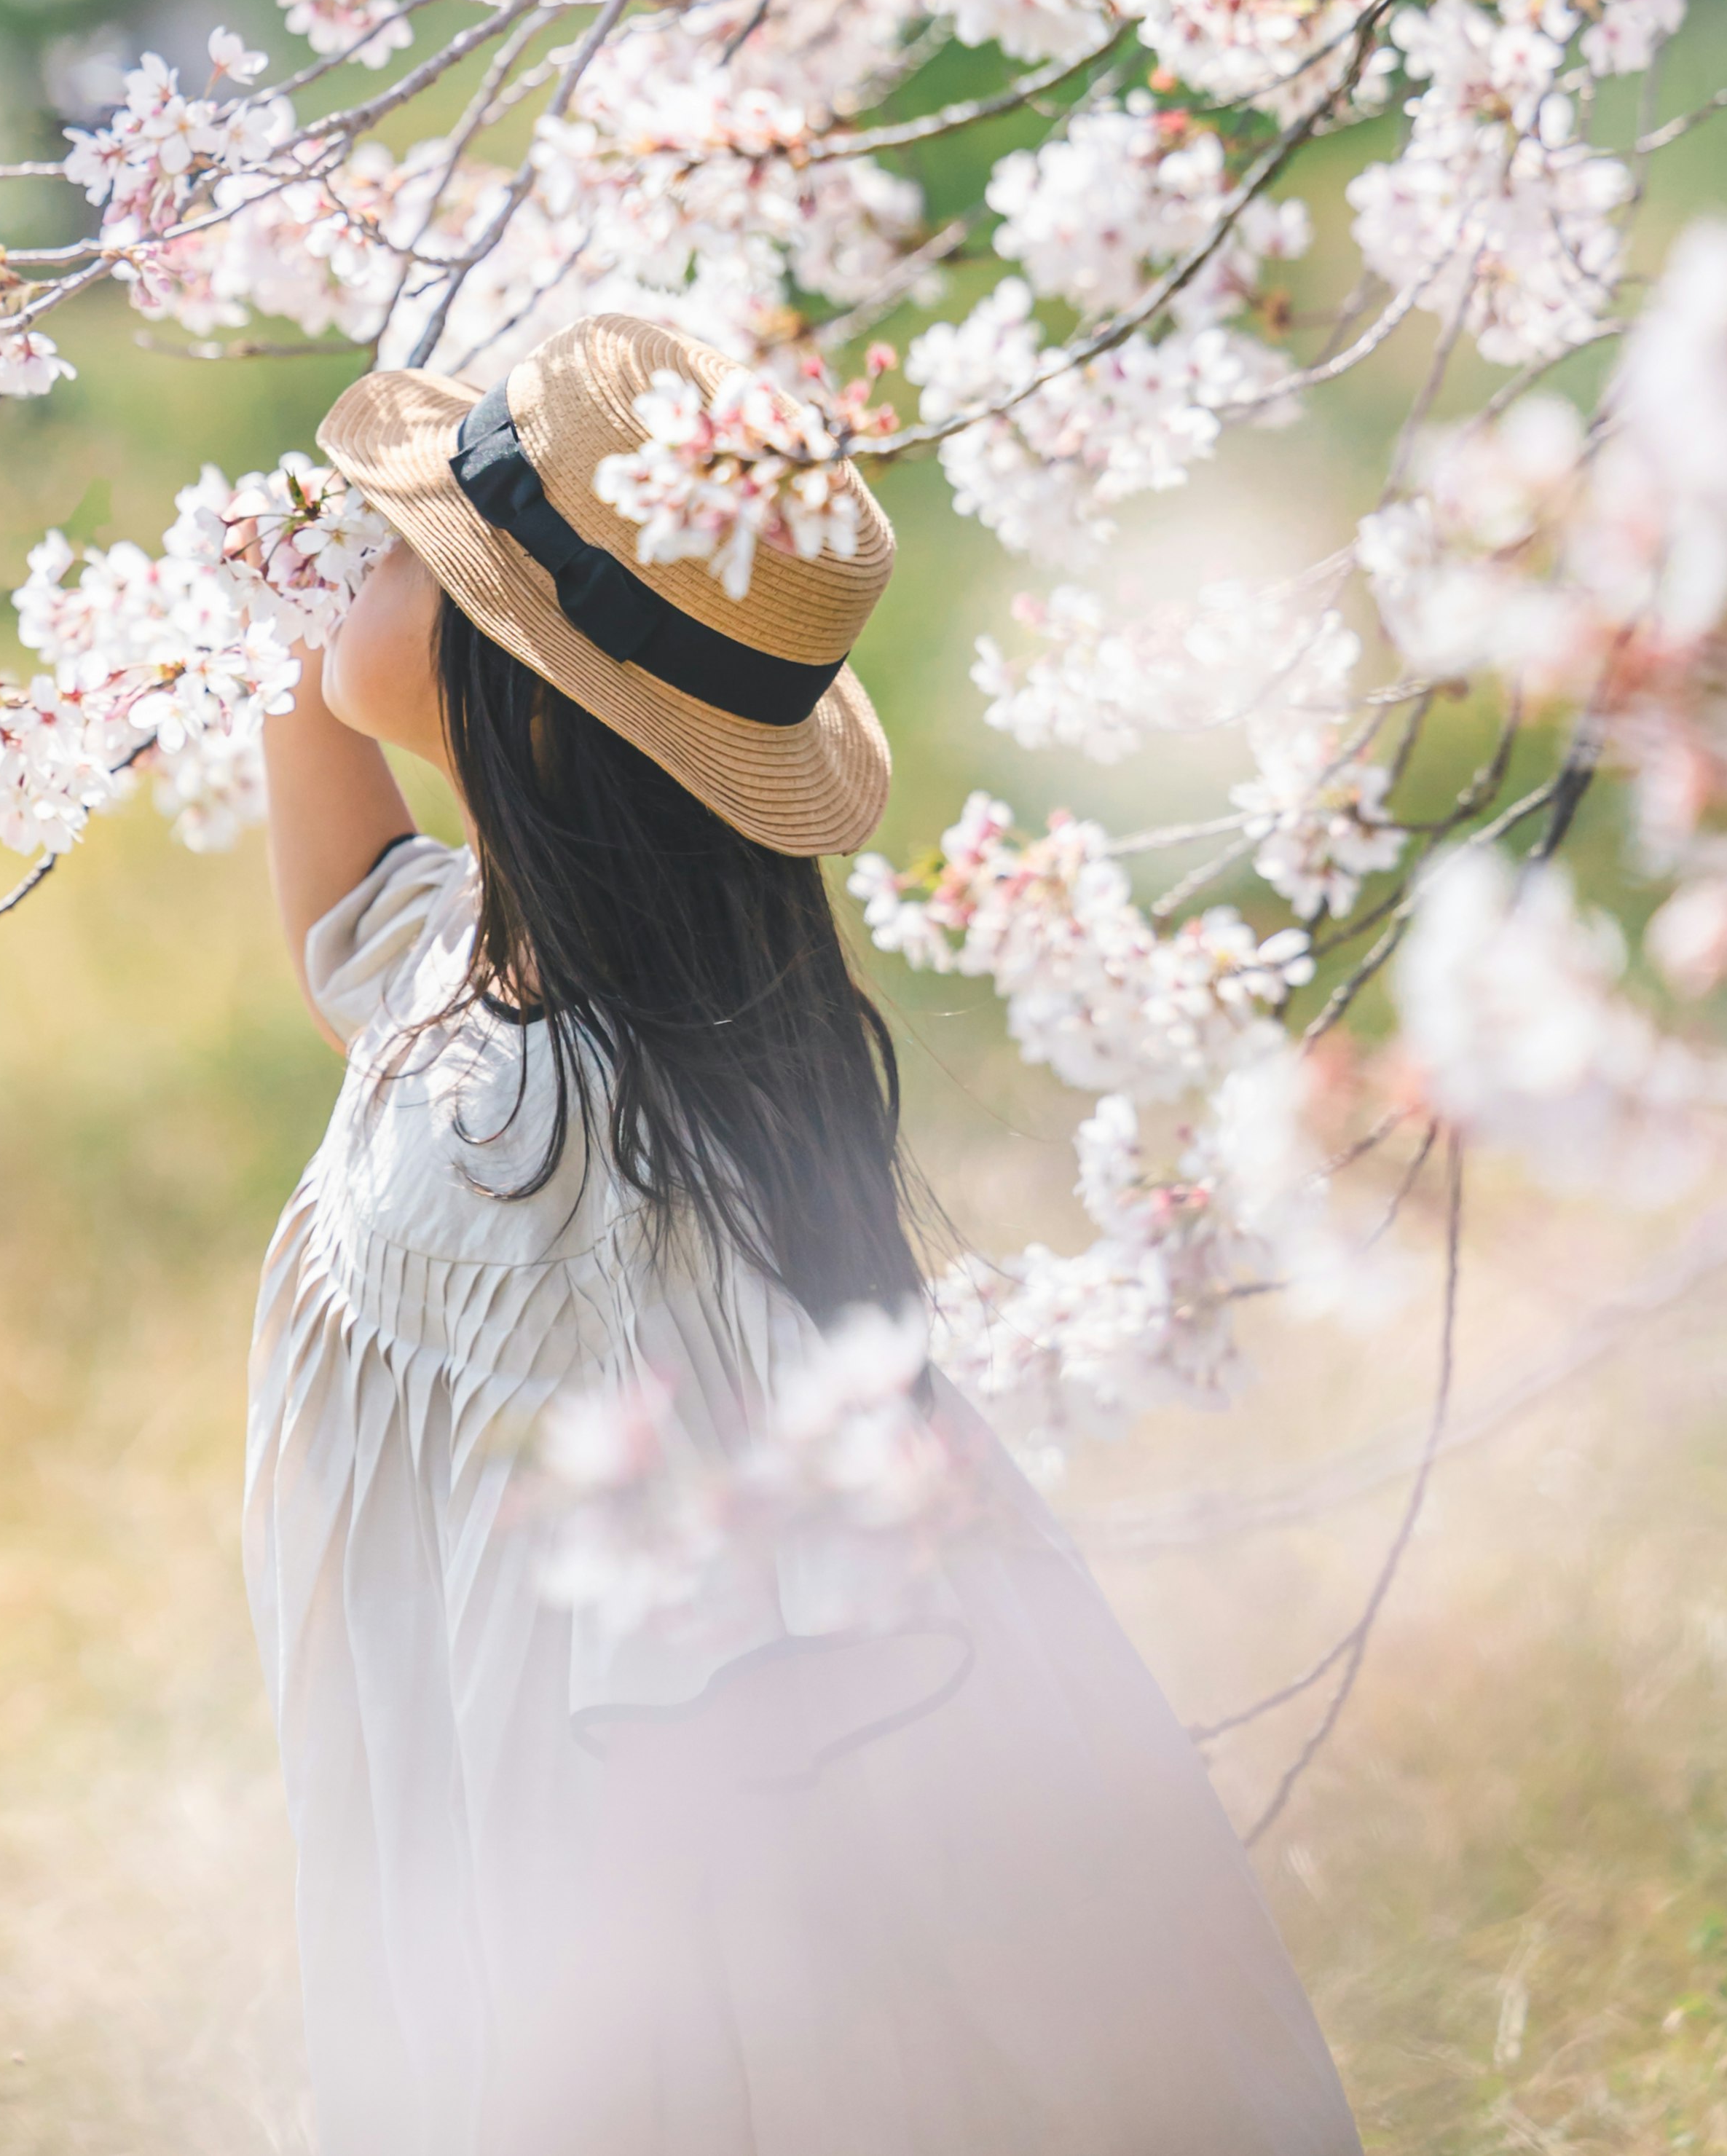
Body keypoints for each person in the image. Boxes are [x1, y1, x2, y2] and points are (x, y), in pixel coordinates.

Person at [247, 310, 1364, 2156]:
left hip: (617, 1859)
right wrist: (296, 667)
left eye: (415, 551)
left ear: (517, 706)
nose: (361, 547)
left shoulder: (568, 1158)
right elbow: (352, 931)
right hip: (496, 1742)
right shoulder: (520, 995)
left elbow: (714, 1687)